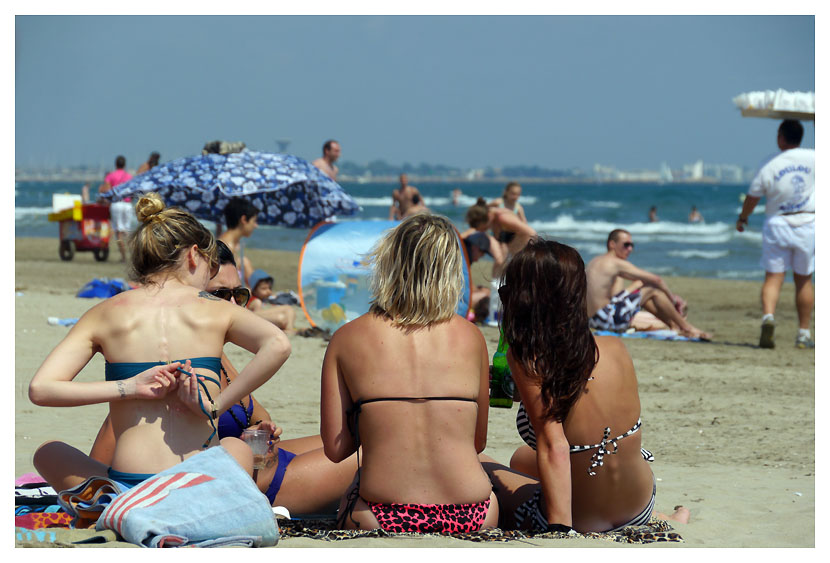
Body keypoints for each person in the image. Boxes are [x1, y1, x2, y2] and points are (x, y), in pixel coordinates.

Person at [29, 193, 291, 493]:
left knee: (47, 452)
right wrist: (215, 406)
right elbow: (278, 344)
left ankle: (115, 503)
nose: (209, 277)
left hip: (129, 488)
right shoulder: (216, 308)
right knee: (236, 447)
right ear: (194, 255)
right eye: (211, 267)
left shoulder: (105, 312)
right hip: (197, 485)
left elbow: (41, 389)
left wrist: (130, 387)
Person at [89, 240, 354, 515]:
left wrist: (263, 430)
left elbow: (257, 417)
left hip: (264, 465)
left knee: (355, 436)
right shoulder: (177, 366)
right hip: (260, 487)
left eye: (238, 295)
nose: (231, 305)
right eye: (219, 294)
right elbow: (109, 459)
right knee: (370, 451)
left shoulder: (219, 357)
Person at [480, 239, 689, 534]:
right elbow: (585, 400)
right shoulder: (615, 348)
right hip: (639, 504)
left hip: (582, 519)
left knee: (482, 463)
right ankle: (663, 517)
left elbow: (555, 446)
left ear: (524, 300)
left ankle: (577, 515)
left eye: (507, 291)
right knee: (520, 459)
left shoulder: (528, 359)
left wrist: (561, 531)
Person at [320, 213, 498, 533]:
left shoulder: (347, 337)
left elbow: (336, 451)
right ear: (451, 270)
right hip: (474, 513)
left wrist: (377, 419)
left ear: (389, 264)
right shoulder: (472, 337)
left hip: (381, 515)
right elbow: (477, 443)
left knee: (353, 491)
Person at [737, 119, 814, 349]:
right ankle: (803, 333)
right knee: (804, 280)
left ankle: (768, 318)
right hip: (808, 221)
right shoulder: (816, 158)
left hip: (778, 223)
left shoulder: (769, 163)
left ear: (781, 136)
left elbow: (753, 196)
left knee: (773, 277)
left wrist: (743, 217)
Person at [585, 229, 710, 340]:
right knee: (652, 289)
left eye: (632, 245)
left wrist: (636, 288)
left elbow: (614, 296)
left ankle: (674, 326)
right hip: (606, 320)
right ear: (612, 244)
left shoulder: (595, 261)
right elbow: (657, 280)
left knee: (644, 295)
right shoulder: (615, 263)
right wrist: (673, 300)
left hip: (593, 321)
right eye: (626, 245)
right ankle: (686, 328)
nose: (630, 249)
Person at [462, 198, 536, 273]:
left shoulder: (503, 218)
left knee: (503, 264)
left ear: (488, 217)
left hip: (519, 248)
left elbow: (531, 232)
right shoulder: (487, 212)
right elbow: (473, 229)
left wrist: (531, 253)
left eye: (484, 228)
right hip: (508, 244)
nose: (482, 230)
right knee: (500, 263)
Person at [97, 155, 133, 262]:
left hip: (116, 204)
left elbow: (107, 191)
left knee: (118, 232)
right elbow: (132, 191)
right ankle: (133, 254)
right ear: (124, 164)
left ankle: (123, 256)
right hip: (127, 205)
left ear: (115, 164)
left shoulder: (110, 176)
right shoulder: (129, 176)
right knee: (127, 231)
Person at [219, 198, 259, 286]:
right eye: (254, 221)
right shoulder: (226, 248)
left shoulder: (232, 245)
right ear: (244, 220)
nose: (256, 226)